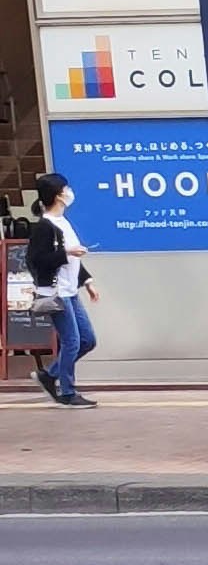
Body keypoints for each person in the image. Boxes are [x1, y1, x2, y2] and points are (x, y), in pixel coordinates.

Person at [25, 174, 95, 406]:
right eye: (66, 188)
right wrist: (67, 254)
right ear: (58, 195)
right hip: (55, 293)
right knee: (72, 341)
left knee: (87, 340)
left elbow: (73, 258)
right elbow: (36, 260)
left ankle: (49, 375)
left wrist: (87, 282)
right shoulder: (44, 227)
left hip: (70, 290)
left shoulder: (63, 222)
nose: (69, 192)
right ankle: (67, 391)